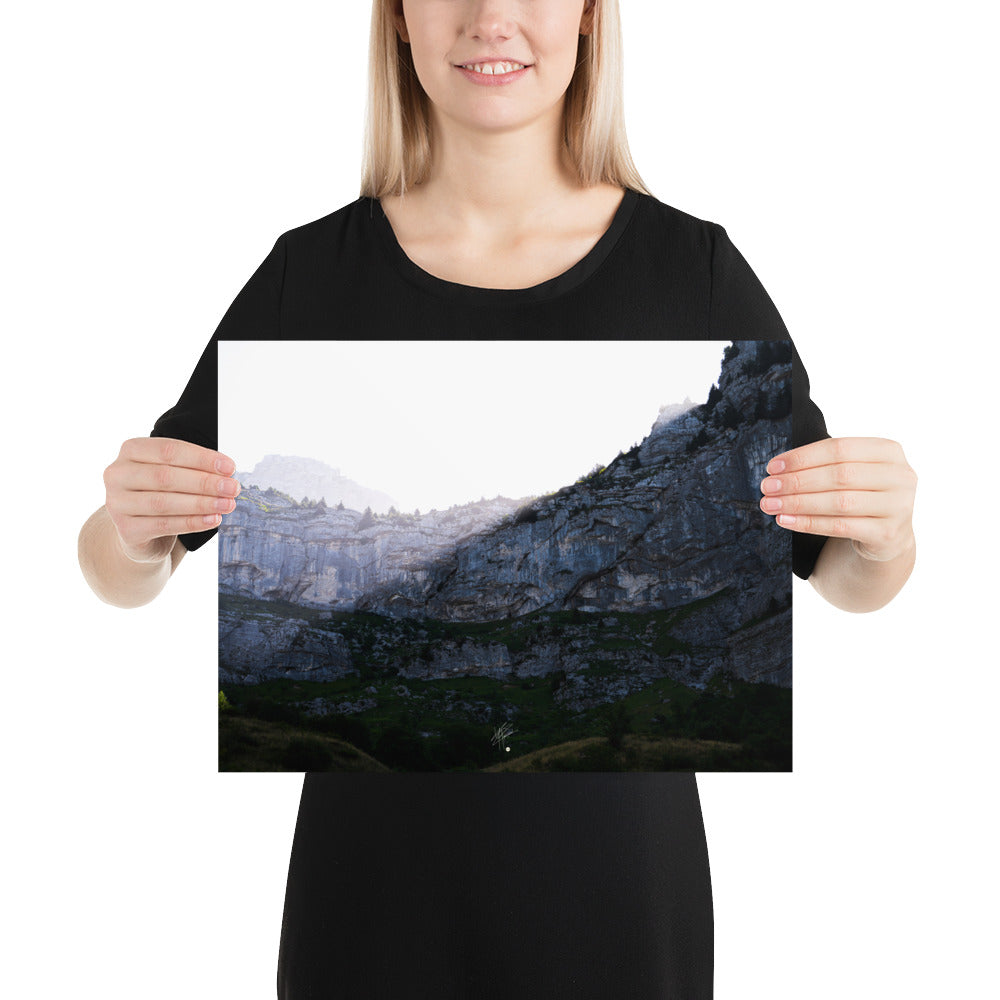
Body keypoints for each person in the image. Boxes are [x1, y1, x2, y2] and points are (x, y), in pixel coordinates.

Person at [78, 1, 917, 996]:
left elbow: (843, 575)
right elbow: (120, 566)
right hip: (369, 905)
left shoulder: (693, 273)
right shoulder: (311, 275)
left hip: (619, 904)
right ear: (396, 19)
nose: (492, 18)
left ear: (591, 18)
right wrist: (130, 533)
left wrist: (884, 532)